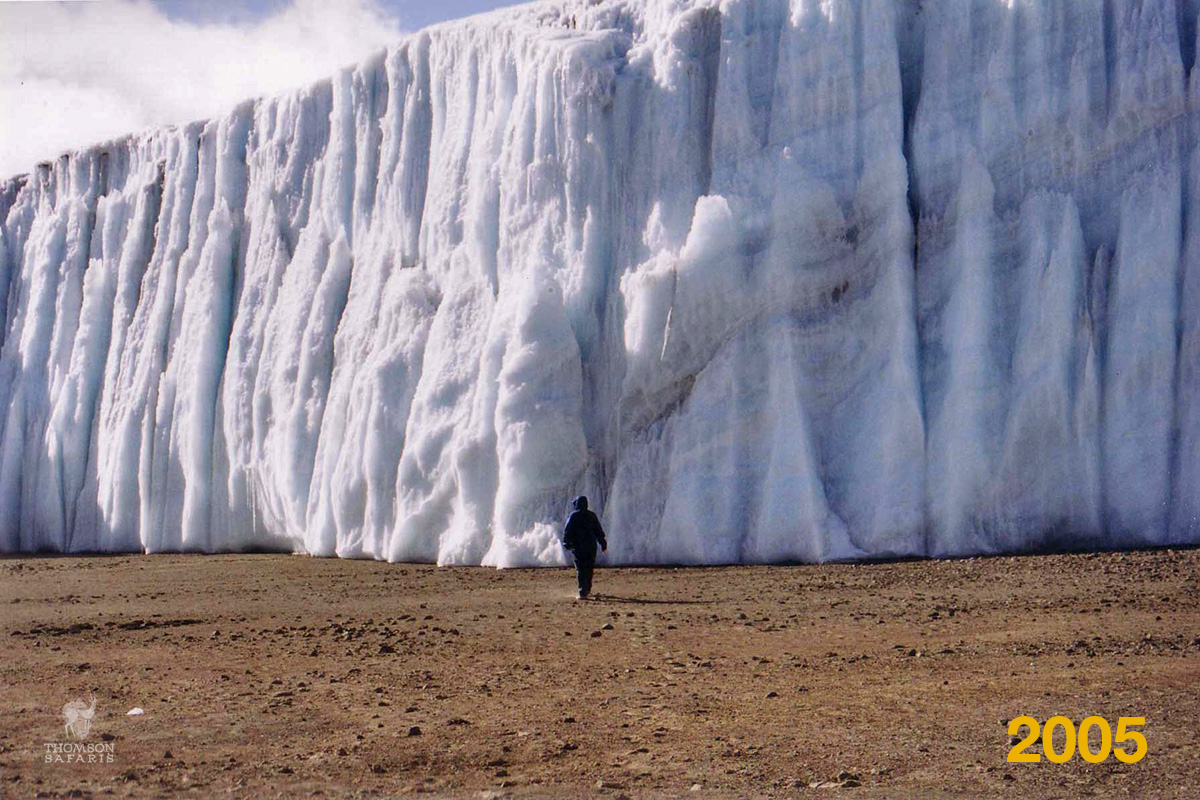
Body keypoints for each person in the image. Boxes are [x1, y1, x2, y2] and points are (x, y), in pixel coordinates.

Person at [561, 495, 607, 600]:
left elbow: (567, 530)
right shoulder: (592, 515)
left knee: (581, 568)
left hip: (579, 547)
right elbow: (598, 531)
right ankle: (588, 588)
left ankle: (582, 591)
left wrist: (566, 543)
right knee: (589, 568)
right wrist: (603, 542)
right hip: (591, 546)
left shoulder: (573, 516)